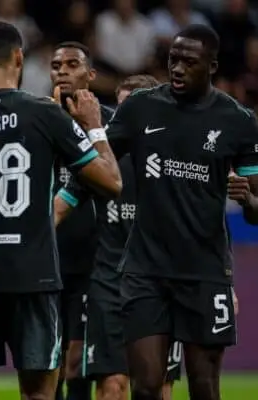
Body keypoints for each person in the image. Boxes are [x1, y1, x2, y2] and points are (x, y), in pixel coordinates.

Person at [0, 20, 123, 400]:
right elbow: (111, 182)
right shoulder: (46, 115)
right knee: (40, 392)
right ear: (19, 57)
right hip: (33, 272)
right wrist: (95, 127)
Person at [75, 25, 258, 400]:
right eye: (172, 60)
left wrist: (248, 198)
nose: (178, 68)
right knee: (146, 387)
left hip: (205, 271)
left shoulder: (238, 120)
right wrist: (91, 130)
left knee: (203, 385)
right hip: (145, 270)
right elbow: (99, 164)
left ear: (212, 66)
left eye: (189, 62)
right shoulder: (141, 107)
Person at [54, 74, 183, 400]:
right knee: (112, 384)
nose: (122, 119)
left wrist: (228, 280)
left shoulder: (178, 162)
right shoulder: (100, 167)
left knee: (157, 386)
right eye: (120, 109)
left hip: (163, 285)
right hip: (110, 286)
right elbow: (60, 207)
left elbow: (206, 224)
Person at [49, 41, 114, 400]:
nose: (62, 70)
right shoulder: (38, 119)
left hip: (93, 261)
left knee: (78, 359)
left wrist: (94, 128)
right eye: (56, 65)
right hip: (47, 257)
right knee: (48, 360)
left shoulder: (109, 123)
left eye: (72, 64)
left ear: (90, 75)